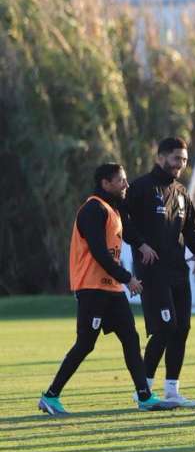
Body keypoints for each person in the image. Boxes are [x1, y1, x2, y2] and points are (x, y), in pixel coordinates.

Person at [39, 163, 174, 415]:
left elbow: (129, 231)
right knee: (85, 344)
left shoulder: (112, 208)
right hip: (92, 287)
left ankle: (144, 396)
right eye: (121, 180)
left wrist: (142, 244)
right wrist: (128, 278)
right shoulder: (93, 209)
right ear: (105, 183)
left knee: (130, 339)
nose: (126, 185)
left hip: (110, 288)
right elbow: (100, 253)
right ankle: (50, 396)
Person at [125, 137, 195, 407]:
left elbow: (191, 228)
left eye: (184, 160)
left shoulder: (182, 192)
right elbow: (122, 223)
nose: (180, 165)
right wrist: (140, 244)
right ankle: (144, 391)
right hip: (152, 271)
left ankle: (172, 390)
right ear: (160, 157)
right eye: (176, 159)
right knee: (164, 327)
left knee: (182, 328)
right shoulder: (140, 188)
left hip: (177, 270)